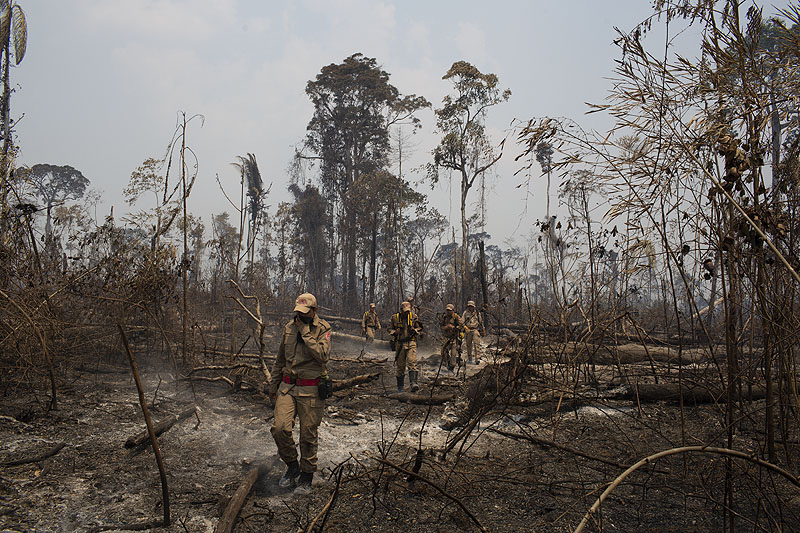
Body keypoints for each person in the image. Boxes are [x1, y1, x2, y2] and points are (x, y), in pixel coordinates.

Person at [269, 292, 332, 495]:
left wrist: (305, 333)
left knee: (308, 435)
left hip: (311, 389)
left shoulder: (323, 329)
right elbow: (280, 360)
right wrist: (273, 386)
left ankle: (306, 476)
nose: (300, 316)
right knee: (280, 428)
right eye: (298, 312)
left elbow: (323, 356)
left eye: (305, 313)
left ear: (314, 311)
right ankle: (292, 466)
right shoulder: (289, 328)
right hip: (287, 387)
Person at [389, 301, 422, 392]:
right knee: (400, 366)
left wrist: (415, 330)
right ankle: (400, 388)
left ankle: (414, 384)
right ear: (401, 310)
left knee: (412, 362)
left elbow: (419, 327)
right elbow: (389, 329)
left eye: (408, 311)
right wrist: (395, 332)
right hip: (400, 344)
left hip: (411, 342)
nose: (407, 312)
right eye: (405, 311)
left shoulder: (413, 317)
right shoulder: (395, 318)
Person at [439, 303, 463, 374]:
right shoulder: (444, 317)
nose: (448, 312)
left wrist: (453, 327)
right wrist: (445, 327)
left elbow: (461, 326)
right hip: (446, 338)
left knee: (453, 353)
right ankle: (448, 363)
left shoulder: (456, 317)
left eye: (450, 310)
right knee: (443, 352)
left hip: (454, 338)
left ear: (453, 310)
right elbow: (441, 326)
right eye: (447, 310)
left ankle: (452, 367)